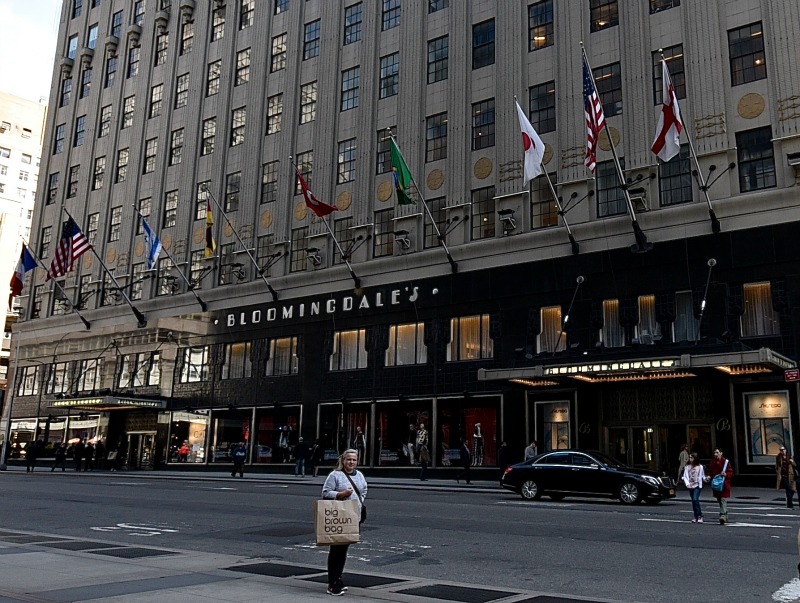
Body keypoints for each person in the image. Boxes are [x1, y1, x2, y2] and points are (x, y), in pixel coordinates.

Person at [322, 449, 367, 596]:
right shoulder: (335, 475)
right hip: (338, 517)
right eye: (349, 459)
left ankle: (338, 578)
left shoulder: (359, 475)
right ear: (343, 460)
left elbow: (364, 491)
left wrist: (357, 503)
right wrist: (341, 494)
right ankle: (332, 583)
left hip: (352, 517)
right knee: (336, 550)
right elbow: (325, 492)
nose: (351, 462)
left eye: (354, 460)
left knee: (343, 550)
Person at [707, 447, 734, 524]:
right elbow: (710, 471)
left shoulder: (725, 462)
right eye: (714, 453)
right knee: (719, 500)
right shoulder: (712, 462)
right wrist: (709, 476)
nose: (715, 454)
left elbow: (731, 472)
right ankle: (725, 514)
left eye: (717, 452)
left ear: (721, 453)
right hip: (716, 484)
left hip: (724, 484)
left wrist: (726, 474)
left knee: (723, 499)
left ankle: (722, 516)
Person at [682, 452, 706, 523]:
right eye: (689, 457)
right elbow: (685, 476)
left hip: (697, 485)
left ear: (695, 458)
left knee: (695, 499)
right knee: (693, 501)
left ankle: (700, 515)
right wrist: (687, 484)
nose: (690, 459)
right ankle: (696, 516)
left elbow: (702, 476)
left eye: (691, 458)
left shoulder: (700, 467)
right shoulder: (687, 467)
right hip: (690, 486)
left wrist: (706, 479)